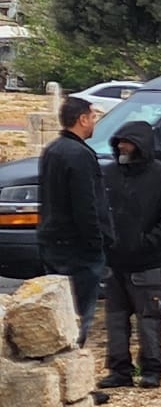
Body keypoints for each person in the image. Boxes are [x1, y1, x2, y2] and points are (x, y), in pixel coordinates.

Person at [96, 120, 161, 391]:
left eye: (128, 143)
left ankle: (152, 369)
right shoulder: (108, 174)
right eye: (120, 143)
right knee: (115, 318)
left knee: (149, 317)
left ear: (142, 145)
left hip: (147, 262)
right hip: (114, 262)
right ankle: (119, 369)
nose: (123, 147)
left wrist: (148, 242)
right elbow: (99, 212)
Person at [37, 96, 110, 344]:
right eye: (92, 117)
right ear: (82, 119)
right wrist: (96, 240)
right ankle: (74, 356)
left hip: (52, 239)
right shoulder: (79, 154)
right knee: (79, 313)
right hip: (77, 246)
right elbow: (85, 203)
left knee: (60, 310)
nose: (94, 123)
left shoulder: (53, 150)